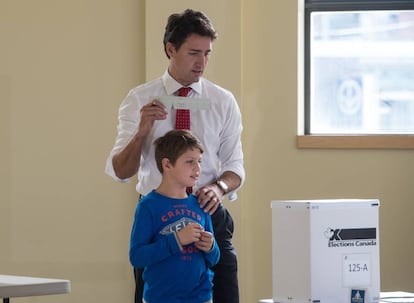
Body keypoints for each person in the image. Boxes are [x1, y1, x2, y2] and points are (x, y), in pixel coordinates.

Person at [105, 8, 245, 303]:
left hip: (208, 215)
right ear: (171, 49)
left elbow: (235, 167)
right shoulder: (139, 99)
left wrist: (218, 188)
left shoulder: (223, 101)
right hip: (158, 218)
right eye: (194, 52)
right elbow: (120, 170)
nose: (202, 62)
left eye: (207, 53)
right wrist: (142, 130)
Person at [129, 129, 220, 303]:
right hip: (160, 298)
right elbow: (137, 257)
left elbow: (214, 258)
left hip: (201, 298)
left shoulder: (200, 204)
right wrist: (176, 240)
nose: (198, 168)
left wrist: (210, 247)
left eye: (199, 161)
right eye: (189, 162)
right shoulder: (148, 206)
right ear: (167, 165)